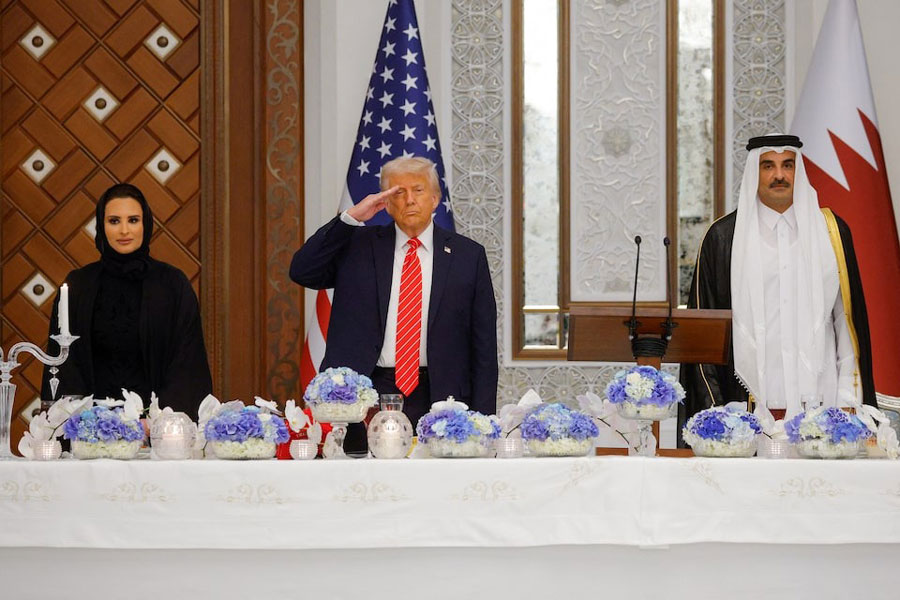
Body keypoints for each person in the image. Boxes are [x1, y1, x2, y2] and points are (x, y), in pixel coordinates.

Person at [290, 156, 498, 444]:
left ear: (436, 199)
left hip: (442, 396)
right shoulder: (357, 246)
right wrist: (350, 218)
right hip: (364, 395)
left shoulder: (468, 256)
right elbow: (303, 271)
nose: (410, 200)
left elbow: (484, 346)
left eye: (419, 190)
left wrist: (484, 421)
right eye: (399, 192)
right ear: (386, 203)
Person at [679, 134, 875, 435]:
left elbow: (845, 325)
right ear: (753, 173)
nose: (779, 175)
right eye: (768, 166)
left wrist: (850, 404)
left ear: (799, 171)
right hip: (744, 410)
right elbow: (702, 336)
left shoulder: (831, 233)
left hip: (823, 408)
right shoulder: (723, 239)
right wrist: (716, 415)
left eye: (788, 165)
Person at [40, 183, 212, 418]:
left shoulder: (172, 284)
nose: (124, 231)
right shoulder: (78, 285)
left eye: (133, 220)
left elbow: (187, 364)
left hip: (158, 434)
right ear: (101, 225)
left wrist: (157, 423)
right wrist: (83, 424)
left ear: (146, 224)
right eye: (114, 221)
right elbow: (65, 366)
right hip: (91, 434)